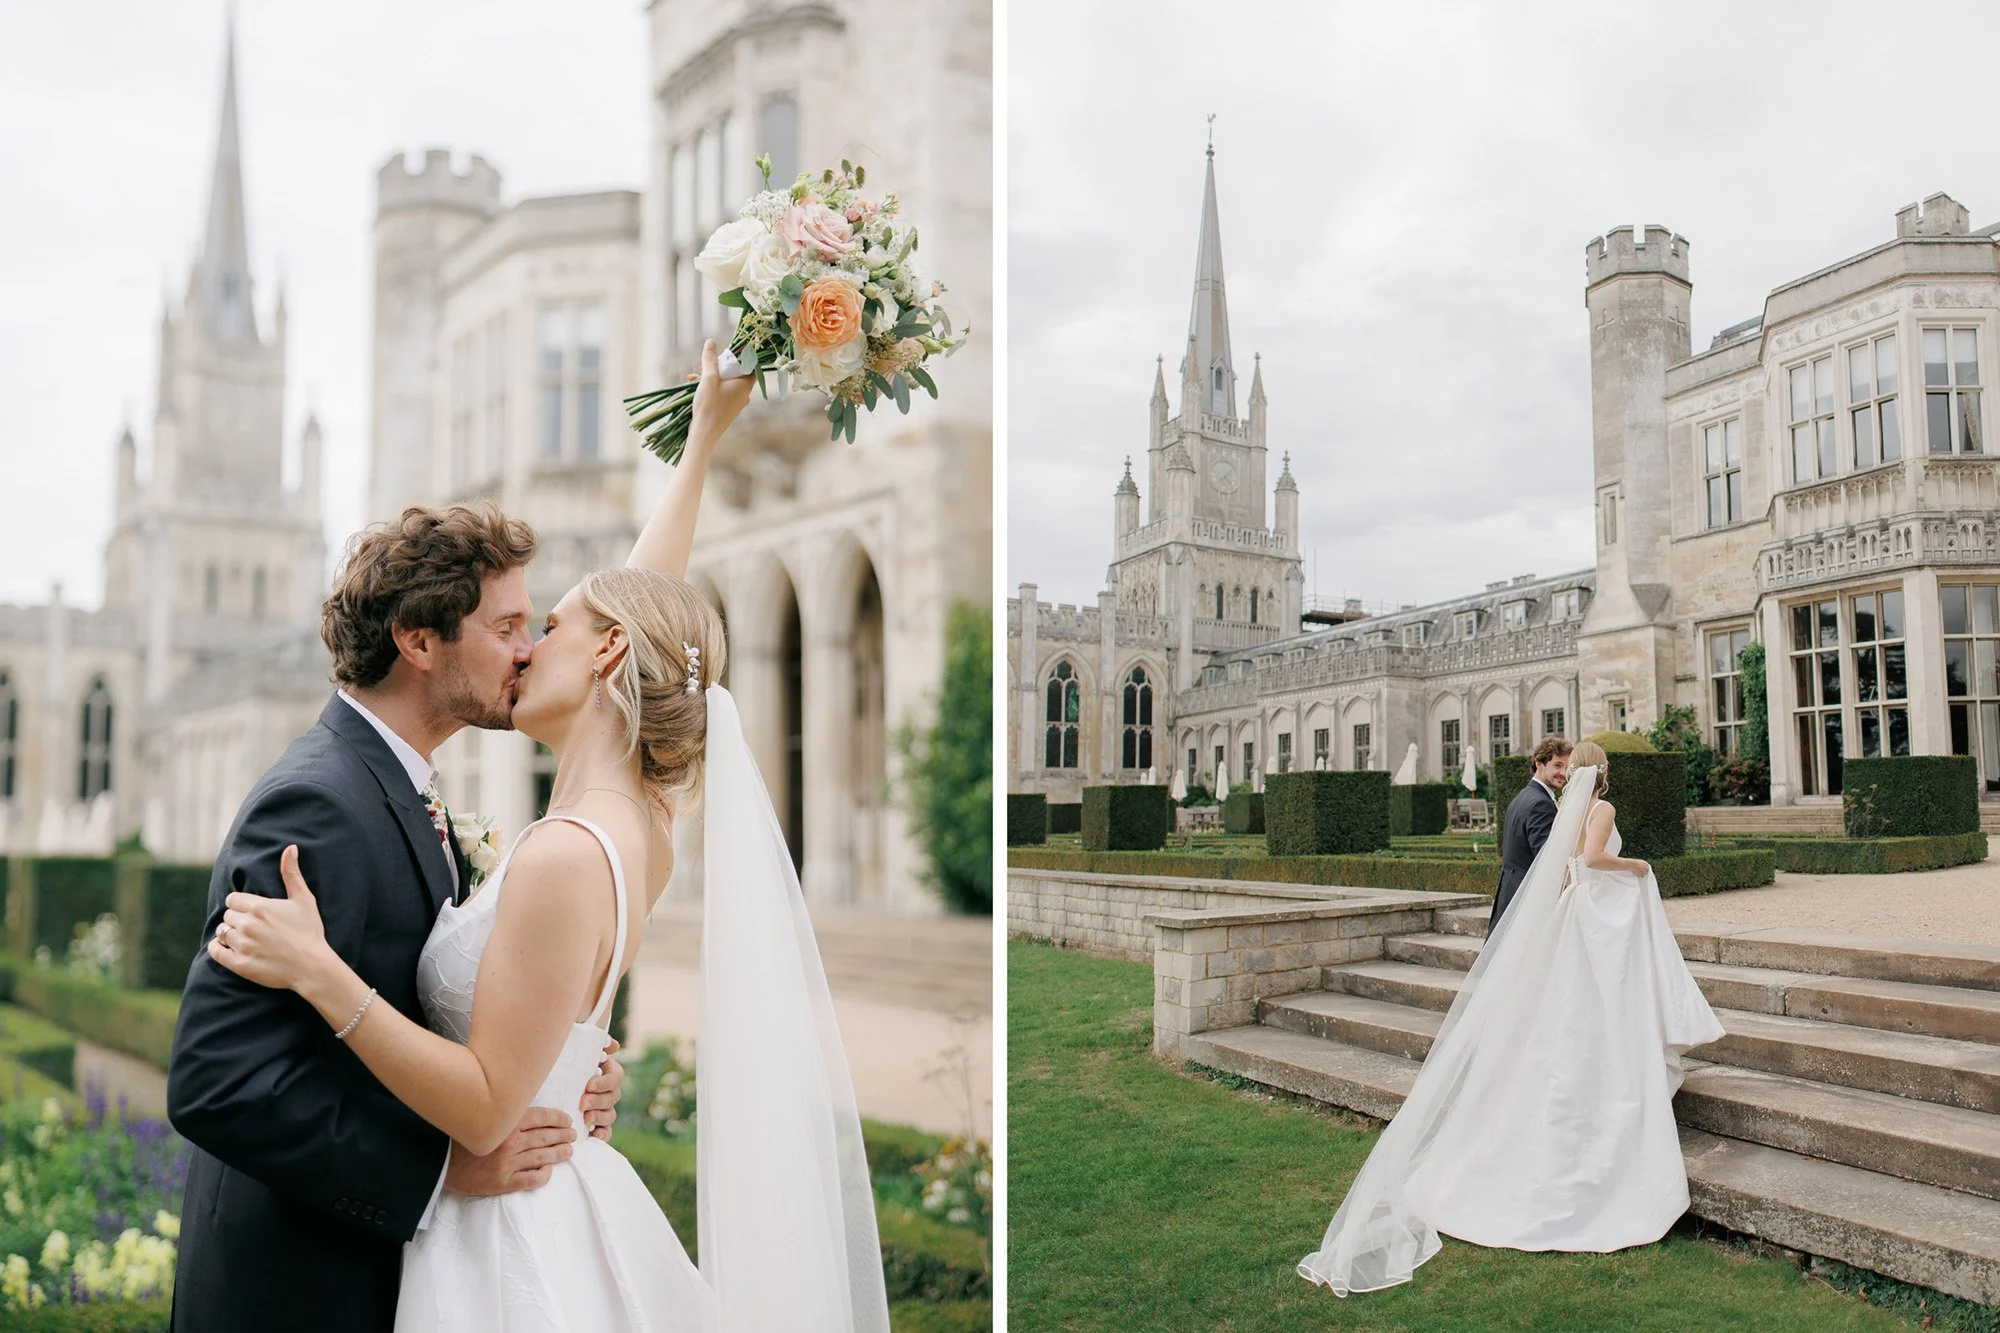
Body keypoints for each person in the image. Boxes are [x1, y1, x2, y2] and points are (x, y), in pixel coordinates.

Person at [198, 340, 891, 1330]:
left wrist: (320, 971)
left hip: (508, 1227)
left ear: (606, 650)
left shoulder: (571, 849)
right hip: (531, 1196)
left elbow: (484, 1103)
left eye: (546, 625)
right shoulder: (639, 826)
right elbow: (648, 610)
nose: (524, 647)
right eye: (514, 627)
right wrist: (698, 442)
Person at [167, 497, 628, 1330]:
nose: (528, 652)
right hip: (295, 1289)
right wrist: (439, 1164)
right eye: (507, 625)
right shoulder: (315, 800)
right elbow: (216, 1080)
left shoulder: (403, 785)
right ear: (418, 640)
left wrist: (560, 1064)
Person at [1297, 740, 1725, 1296]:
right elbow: (1591, 862)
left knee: (1560, 1019)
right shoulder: (1600, 809)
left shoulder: (1564, 806)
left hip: (1572, 914)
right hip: (1589, 913)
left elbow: (1567, 865)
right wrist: (1639, 866)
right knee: (1592, 1015)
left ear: (1574, 772)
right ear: (1604, 770)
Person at [1487, 735, 1570, 933]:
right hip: (1525, 895)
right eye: (1557, 765)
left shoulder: (1523, 796)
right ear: (1539, 763)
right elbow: (1547, 858)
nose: (1563, 773)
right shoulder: (1541, 803)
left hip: (1510, 888)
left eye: (1567, 768)